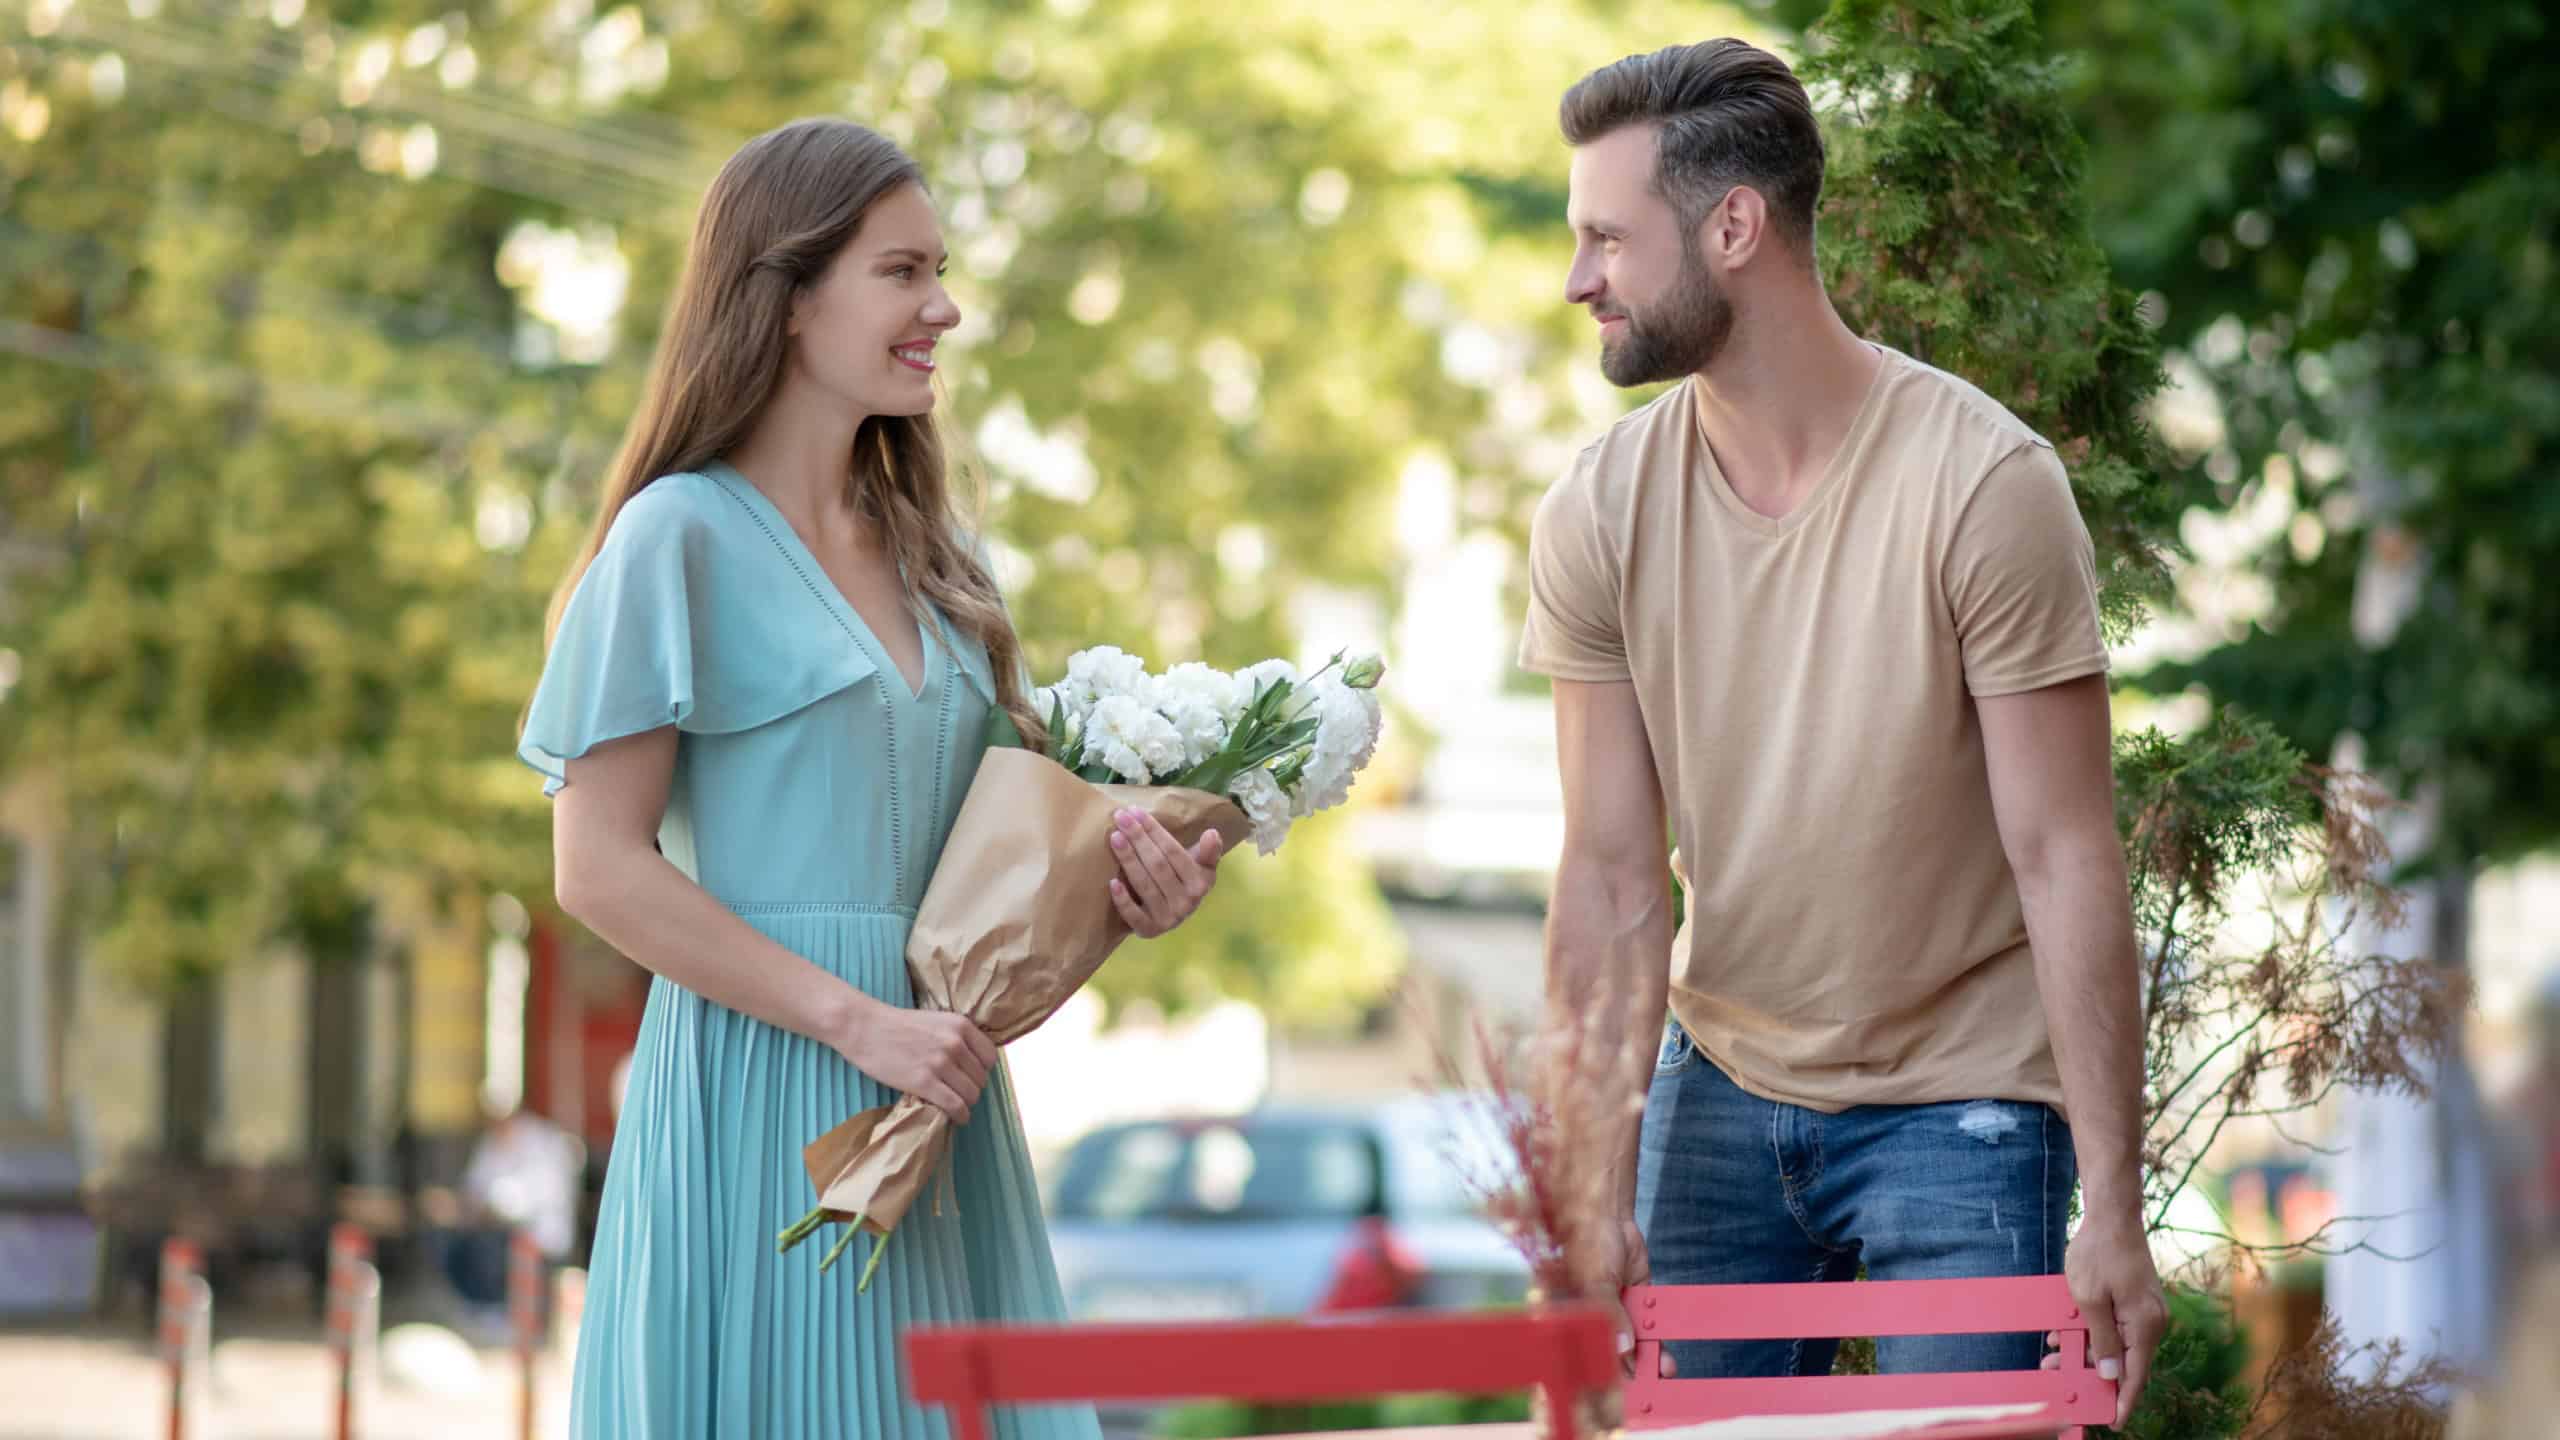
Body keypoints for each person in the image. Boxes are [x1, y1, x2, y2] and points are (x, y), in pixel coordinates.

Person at [517, 118, 1225, 1438]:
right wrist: (859, 1024)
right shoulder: (676, 537)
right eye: (904, 272)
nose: (944, 307)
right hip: (760, 1102)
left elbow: (988, 894)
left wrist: (1123, 898)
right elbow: (597, 867)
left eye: (939, 271)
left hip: (943, 1108)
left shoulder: (942, 564)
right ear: (787, 299)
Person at [1518, 39, 2166, 1427]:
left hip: (1964, 1104)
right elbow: (1614, 878)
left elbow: (2064, 855)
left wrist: (2114, 1196)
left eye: (1606, 240)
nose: (1579, 281)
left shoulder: (1984, 485)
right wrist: (1590, 1174)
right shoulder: (1600, 511)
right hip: (1722, 1083)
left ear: (1733, 228)